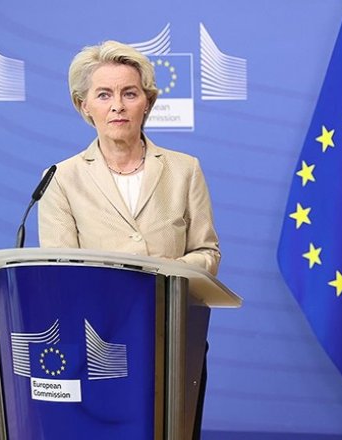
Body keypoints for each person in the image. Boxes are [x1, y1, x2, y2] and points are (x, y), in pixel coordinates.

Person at [38, 40, 219, 438]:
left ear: (147, 102)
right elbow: (61, 271)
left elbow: (207, 252)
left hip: (175, 335)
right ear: (84, 105)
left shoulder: (185, 170)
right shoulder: (61, 179)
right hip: (98, 341)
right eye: (104, 94)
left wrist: (164, 273)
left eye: (130, 93)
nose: (117, 105)